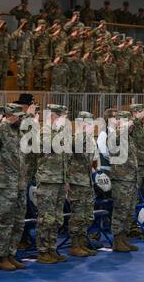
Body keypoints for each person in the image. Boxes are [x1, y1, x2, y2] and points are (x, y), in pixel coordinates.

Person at [0, 103, 27, 271]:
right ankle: (2, 256)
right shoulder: (3, 129)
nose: (21, 119)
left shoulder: (20, 132)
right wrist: (4, 122)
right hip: (5, 184)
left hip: (19, 183)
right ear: (11, 116)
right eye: (18, 116)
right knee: (5, 221)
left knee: (18, 221)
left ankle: (11, 253)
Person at [35, 104, 69, 264]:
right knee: (46, 218)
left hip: (60, 181)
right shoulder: (44, 132)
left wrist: (66, 180)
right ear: (53, 117)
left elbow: (65, 159)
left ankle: (52, 248)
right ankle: (43, 251)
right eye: (63, 116)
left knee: (57, 218)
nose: (66, 120)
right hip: (47, 181)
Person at [67, 111, 98, 257]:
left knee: (87, 215)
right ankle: (75, 245)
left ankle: (82, 243)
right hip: (77, 182)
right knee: (78, 215)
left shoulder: (90, 140)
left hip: (87, 181)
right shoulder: (76, 139)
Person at [109, 111, 139, 252]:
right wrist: (124, 127)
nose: (131, 126)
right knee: (120, 210)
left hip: (131, 179)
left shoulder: (129, 138)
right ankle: (117, 240)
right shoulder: (115, 135)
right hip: (121, 180)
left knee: (129, 210)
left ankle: (123, 238)